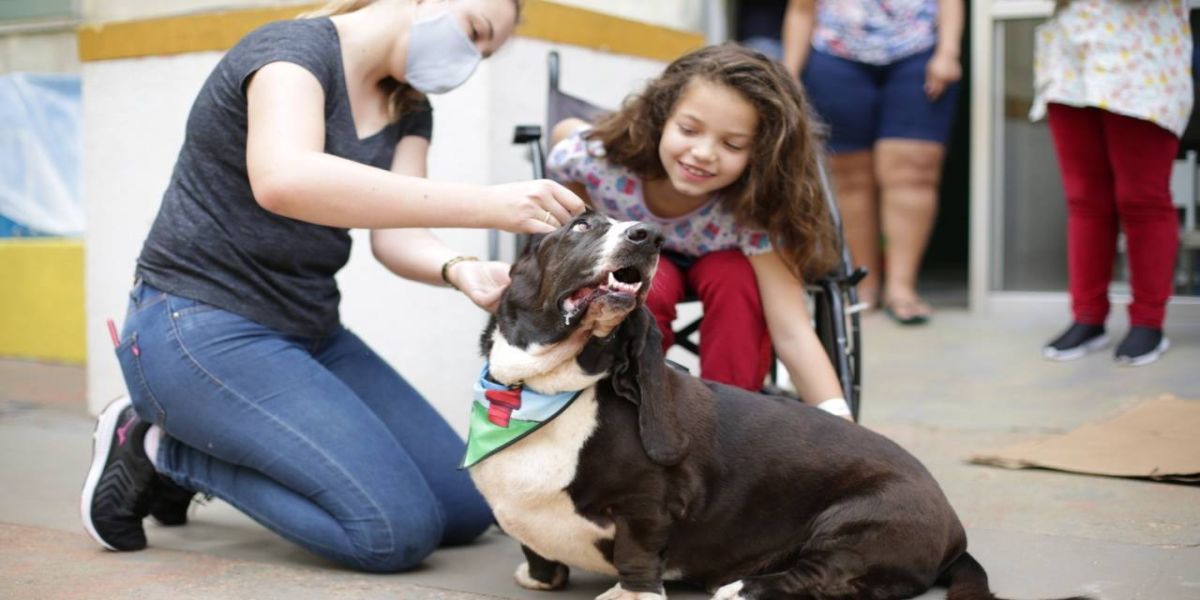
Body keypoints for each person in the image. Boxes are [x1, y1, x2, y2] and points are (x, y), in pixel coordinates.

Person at [80, 0, 588, 572]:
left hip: (309, 330)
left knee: (467, 508)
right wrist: (490, 204)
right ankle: (158, 448)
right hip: (198, 321)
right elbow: (285, 178)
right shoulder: (291, 53)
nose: (469, 59)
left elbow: (397, 237)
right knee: (393, 533)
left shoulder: (408, 106)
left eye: (484, 53)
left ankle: (202, 438)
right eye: (473, 32)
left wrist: (461, 269)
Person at [547, 43, 852, 420]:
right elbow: (564, 136)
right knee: (645, 279)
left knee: (735, 276)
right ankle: (636, 402)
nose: (704, 152)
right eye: (689, 129)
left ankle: (730, 415)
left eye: (732, 144)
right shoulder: (602, 165)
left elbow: (791, 328)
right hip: (639, 261)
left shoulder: (754, 208)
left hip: (722, 260)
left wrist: (839, 420)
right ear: (660, 118)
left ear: (759, 153)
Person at [781, 0, 964, 325]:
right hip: (835, 54)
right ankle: (864, 284)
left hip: (918, 49)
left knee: (914, 169)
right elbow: (801, 8)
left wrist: (948, 51)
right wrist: (790, 73)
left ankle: (901, 288)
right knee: (848, 174)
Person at [1034, 0, 1192, 366]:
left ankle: (1148, 322)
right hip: (1070, 60)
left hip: (1142, 58)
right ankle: (1087, 317)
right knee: (1084, 199)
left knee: (1142, 198)